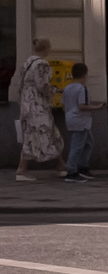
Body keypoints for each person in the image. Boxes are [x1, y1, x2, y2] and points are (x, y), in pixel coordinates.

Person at [13, 37, 62, 181]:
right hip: (37, 105)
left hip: (27, 104)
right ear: (46, 49)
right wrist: (56, 91)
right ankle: (21, 170)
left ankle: (61, 165)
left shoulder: (27, 62)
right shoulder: (42, 64)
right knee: (38, 134)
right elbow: (42, 86)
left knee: (50, 133)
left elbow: (20, 84)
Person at [61, 62, 103, 182]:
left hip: (71, 119)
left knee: (88, 142)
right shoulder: (81, 88)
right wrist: (98, 107)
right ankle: (72, 171)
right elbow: (82, 106)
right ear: (85, 75)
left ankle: (83, 167)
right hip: (80, 120)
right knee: (77, 146)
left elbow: (64, 104)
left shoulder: (67, 88)